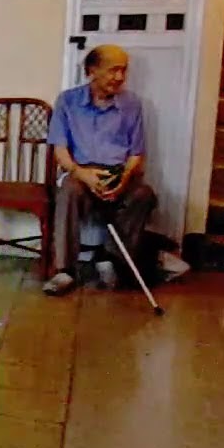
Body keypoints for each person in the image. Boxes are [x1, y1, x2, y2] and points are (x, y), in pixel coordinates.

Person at [44, 44, 158, 296]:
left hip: (117, 172)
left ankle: (111, 258)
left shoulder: (132, 104)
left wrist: (123, 179)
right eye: (113, 70)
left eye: (123, 70)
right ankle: (65, 270)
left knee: (144, 195)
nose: (119, 77)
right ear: (92, 71)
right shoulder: (68, 101)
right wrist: (82, 173)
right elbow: (60, 150)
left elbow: (136, 153)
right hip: (80, 171)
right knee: (69, 191)